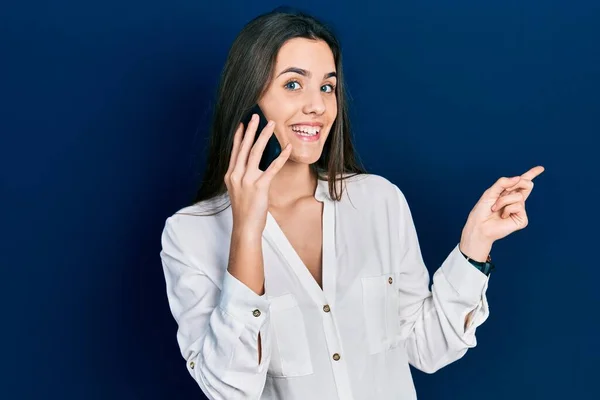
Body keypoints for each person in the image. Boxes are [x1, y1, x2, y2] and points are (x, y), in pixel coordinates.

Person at [159, 8, 544, 400]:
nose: (317, 106)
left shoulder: (379, 201)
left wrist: (475, 245)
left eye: (327, 87)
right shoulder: (190, 234)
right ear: (249, 98)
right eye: (293, 85)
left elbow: (427, 348)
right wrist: (245, 231)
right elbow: (230, 389)